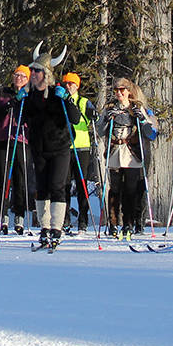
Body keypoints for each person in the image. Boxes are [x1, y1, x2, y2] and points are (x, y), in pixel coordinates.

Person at [25, 52, 80, 249]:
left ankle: (57, 228)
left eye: (37, 71)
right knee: (41, 189)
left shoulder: (58, 93)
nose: (33, 73)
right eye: (32, 70)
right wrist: (18, 101)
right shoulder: (30, 96)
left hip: (59, 148)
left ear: (46, 74)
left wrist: (67, 99)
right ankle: (44, 227)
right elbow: (20, 118)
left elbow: (75, 118)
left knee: (57, 187)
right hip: (39, 149)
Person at [98, 78, 158, 240]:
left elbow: (149, 132)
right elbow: (101, 131)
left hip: (132, 153)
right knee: (115, 189)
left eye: (122, 90)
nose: (119, 93)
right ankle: (113, 223)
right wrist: (106, 119)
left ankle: (129, 223)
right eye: (116, 90)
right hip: (115, 151)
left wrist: (142, 119)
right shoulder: (110, 108)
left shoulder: (136, 108)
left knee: (131, 189)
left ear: (129, 91)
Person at [0, 69, 33, 233]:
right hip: (3, 139)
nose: (18, 78)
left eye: (22, 76)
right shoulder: (2, 93)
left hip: (22, 139)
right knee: (3, 178)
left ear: (27, 79)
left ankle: (19, 215)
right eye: (16, 75)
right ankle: (3, 214)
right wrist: (7, 105)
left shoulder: (30, 94)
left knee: (20, 178)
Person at [63, 72, 94, 234]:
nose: (68, 87)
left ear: (77, 86)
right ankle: (65, 219)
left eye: (71, 84)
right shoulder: (60, 101)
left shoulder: (83, 102)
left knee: (82, 185)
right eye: (66, 84)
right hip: (65, 147)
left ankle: (83, 220)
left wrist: (92, 113)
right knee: (64, 185)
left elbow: (90, 118)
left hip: (81, 146)